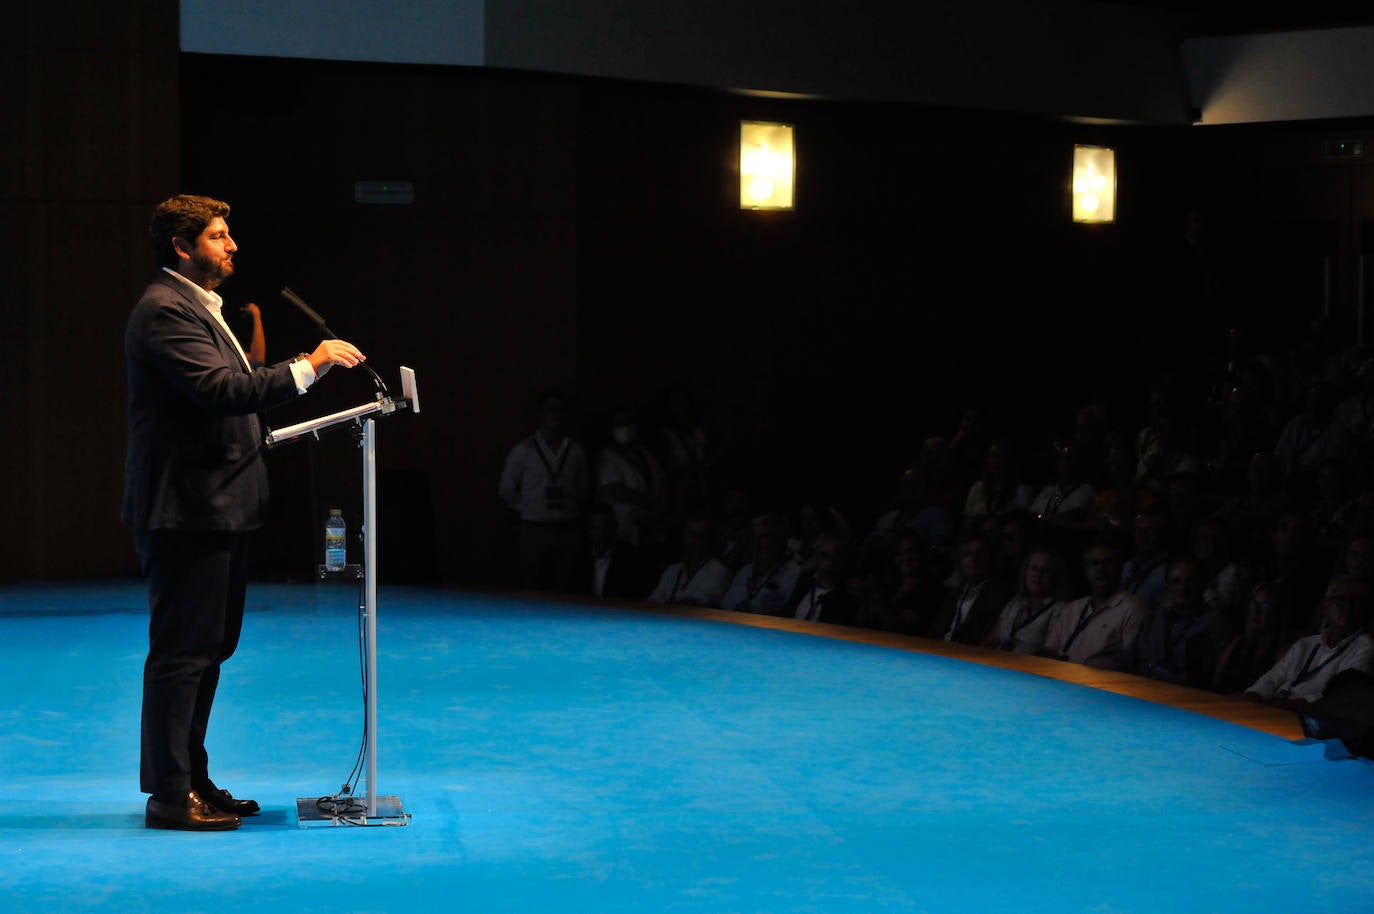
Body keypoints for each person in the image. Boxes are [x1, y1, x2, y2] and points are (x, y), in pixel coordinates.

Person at [123, 194, 367, 831]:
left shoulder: (202, 306)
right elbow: (220, 390)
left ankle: (192, 779)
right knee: (183, 654)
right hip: (186, 510)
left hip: (217, 508)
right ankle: (170, 795)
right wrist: (310, 364)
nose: (232, 245)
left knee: (210, 650)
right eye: (218, 235)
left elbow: (239, 384)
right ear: (182, 247)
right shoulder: (163, 309)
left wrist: (298, 372)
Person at [498, 390, 590, 591]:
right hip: (535, 528)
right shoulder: (524, 449)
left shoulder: (576, 451)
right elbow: (507, 489)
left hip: (568, 527)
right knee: (532, 585)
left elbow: (582, 488)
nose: (556, 415)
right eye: (551, 409)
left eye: (561, 410)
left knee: (566, 585)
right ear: (540, 414)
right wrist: (528, 508)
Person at [1245, 574, 1374, 711]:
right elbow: (1273, 677)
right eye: (1341, 600)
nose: (1347, 607)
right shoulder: (1305, 644)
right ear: (1325, 606)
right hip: (1275, 708)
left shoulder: (1365, 648)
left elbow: (1339, 697)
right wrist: (1254, 695)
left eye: (1356, 602)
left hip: (1310, 716)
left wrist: (1278, 705)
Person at [1039, 535, 1147, 670]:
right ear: (1086, 570)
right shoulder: (1073, 608)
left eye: (1108, 562)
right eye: (1094, 563)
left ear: (1120, 567)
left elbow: (1132, 665)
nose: (1101, 569)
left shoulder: (1132, 609)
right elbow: (1049, 650)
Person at [1136, 555, 1234, 686]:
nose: (1182, 587)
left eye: (1189, 581)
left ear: (1202, 585)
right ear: (1168, 586)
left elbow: (1215, 677)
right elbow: (1140, 662)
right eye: (1176, 581)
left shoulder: (1216, 624)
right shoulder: (1155, 619)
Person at [925, 529, 1015, 646]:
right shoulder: (954, 594)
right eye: (967, 553)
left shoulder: (998, 595)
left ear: (990, 557)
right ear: (959, 559)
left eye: (980, 552)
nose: (973, 559)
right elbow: (936, 630)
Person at [984, 545, 1071, 654]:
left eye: (1045, 571)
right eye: (1034, 568)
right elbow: (992, 639)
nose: (1038, 574)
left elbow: (1049, 651)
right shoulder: (1016, 602)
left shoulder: (1061, 609)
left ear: (1055, 576)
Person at [721, 512, 802, 616]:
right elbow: (726, 604)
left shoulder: (792, 572)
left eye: (765, 537)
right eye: (755, 538)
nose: (759, 543)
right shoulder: (745, 570)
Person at [574, 501, 657, 601]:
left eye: (606, 527)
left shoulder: (631, 557)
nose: (601, 533)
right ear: (588, 531)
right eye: (596, 528)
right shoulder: (580, 557)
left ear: (615, 528)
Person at [645, 512, 732, 608]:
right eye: (693, 535)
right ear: (683, 537)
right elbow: (653, 601)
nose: (697, 541)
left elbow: (704, 603)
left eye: (702, 536)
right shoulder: (673, 570)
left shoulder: (717, 570)